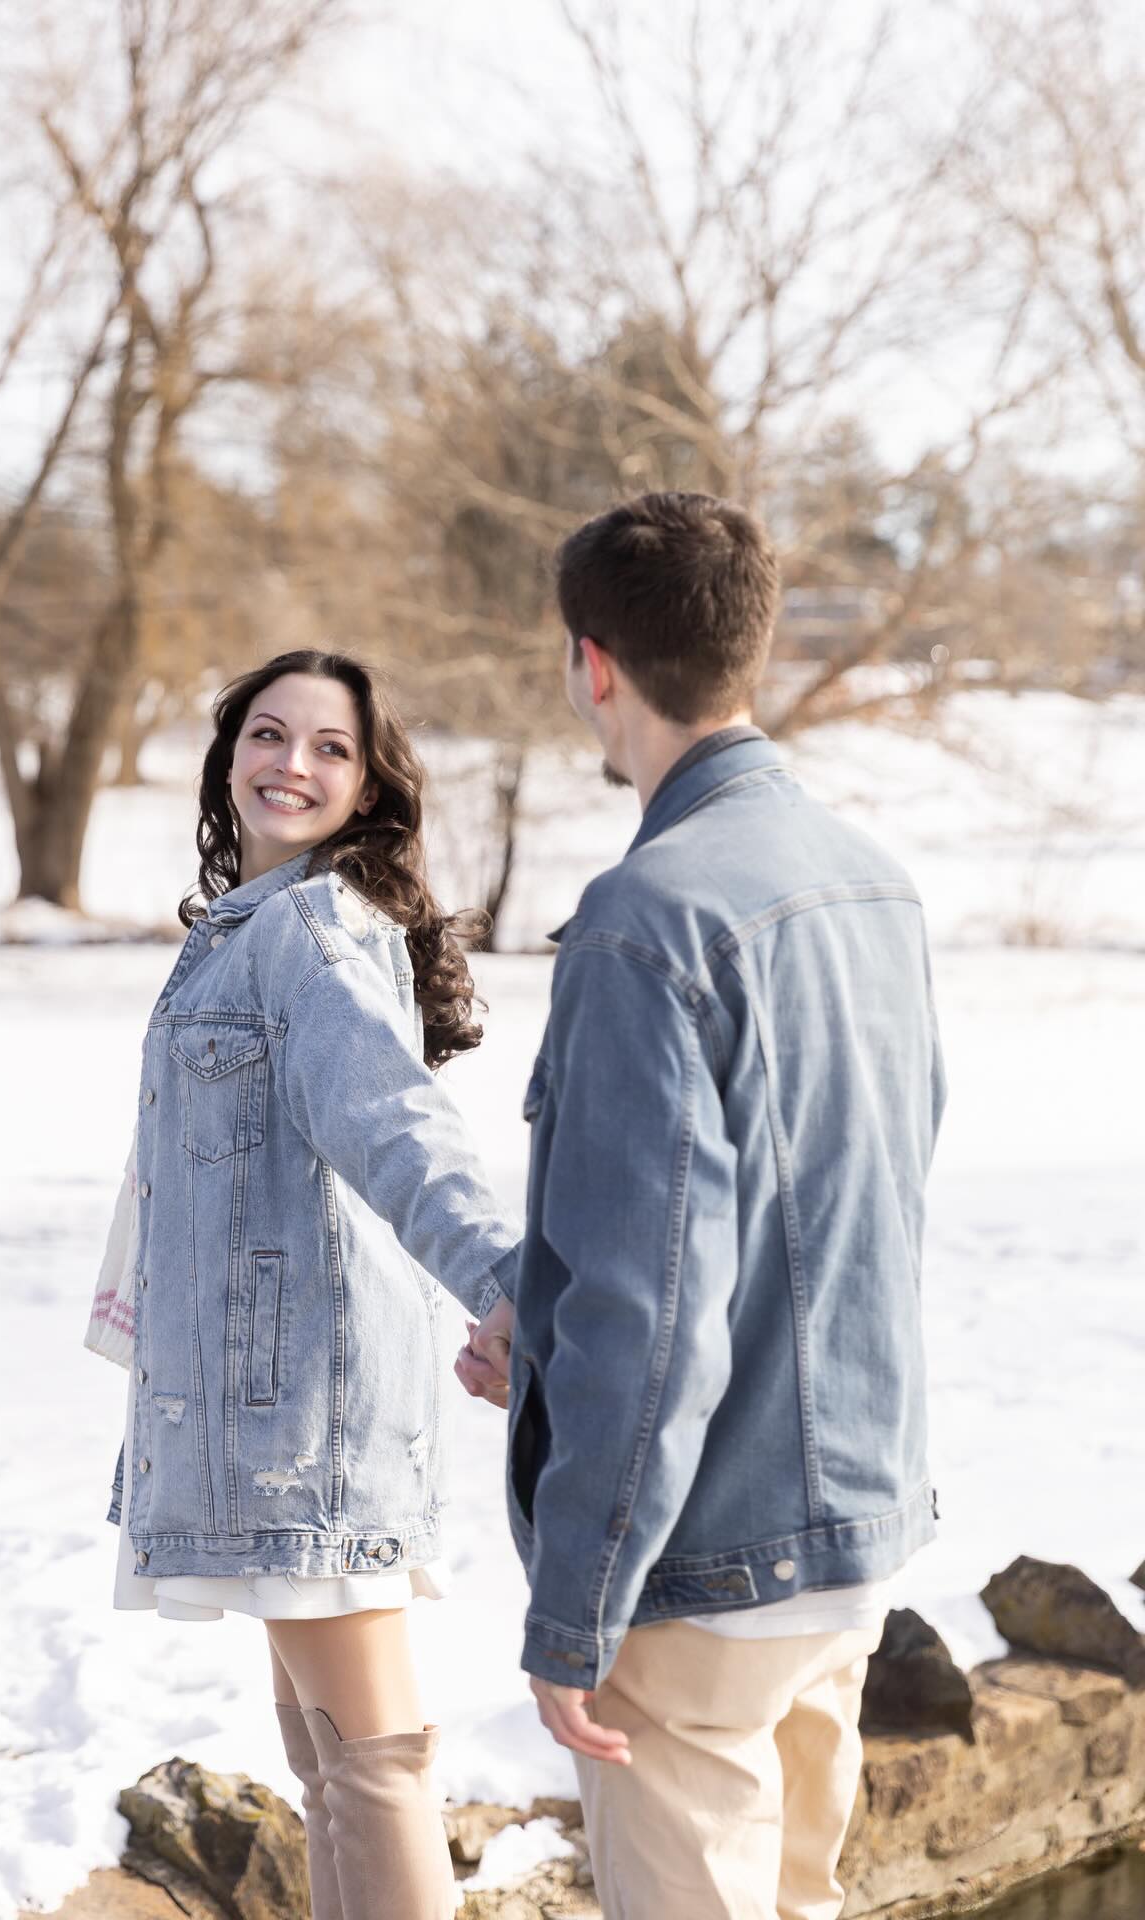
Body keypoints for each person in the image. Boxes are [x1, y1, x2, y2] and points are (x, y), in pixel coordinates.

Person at [457, 492, 947, 1920]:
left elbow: (646, 1311)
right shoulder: (877, 885)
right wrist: (540, 1345)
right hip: (847, 1539)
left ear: (591, 664)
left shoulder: (643, 919)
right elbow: (857, 1208)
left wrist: (574, 1608)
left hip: (701, 1571)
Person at [85, 648, 518, 1920]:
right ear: (228, 757)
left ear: (371, 785)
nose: (292, 765)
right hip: (267, 1406)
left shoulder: (316, 934)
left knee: (373, 1763)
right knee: (329, 1758)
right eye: (269, 736)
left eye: (331, 748)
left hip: (306, 1420)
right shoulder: (252, 929)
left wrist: (509, 1282)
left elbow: (399, 1128)